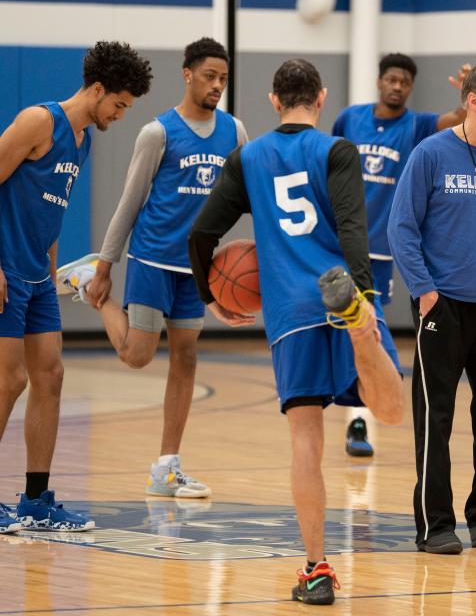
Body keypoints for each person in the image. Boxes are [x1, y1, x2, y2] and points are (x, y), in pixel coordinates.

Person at [187, 59, 403, 605]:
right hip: (342, 291)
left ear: (273, 99)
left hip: (288, 311)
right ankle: (357, 325)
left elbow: (202, 233)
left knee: (305, 443)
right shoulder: (335, 150)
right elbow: (353, 229)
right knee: (393, 411)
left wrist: (211, 295)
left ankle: (316, 570)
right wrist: (366, 300)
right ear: (321, 97)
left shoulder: (247, 157)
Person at [57, 38, 248, 499]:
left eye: (223, 78)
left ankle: (167, 467)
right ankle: (83, 282)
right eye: (209, 76)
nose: (217, 85)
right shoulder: (157, 132)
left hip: (196, 267)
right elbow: (130, 202)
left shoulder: (235, 133)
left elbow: (247, 194)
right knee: (137, 355)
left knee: (186, 357)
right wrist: (105, 265)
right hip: (151, 258)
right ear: (187, 74)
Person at [0, 41, 152, 532]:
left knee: (51, 377)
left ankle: (36, 499)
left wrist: (51, 269)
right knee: (9, 380)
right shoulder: (38, 122)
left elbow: (51, 210)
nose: (121, 115)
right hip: (5, 269)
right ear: (97, 89)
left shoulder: (84, 142)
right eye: (120, 105)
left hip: (38, 277)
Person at [388, 61, 476, 555]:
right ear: (474, 101)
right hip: (442, 308)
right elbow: (401, 228)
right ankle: (436, 525)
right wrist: (425, 291)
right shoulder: (430, 154)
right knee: (437, 420)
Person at [331, 53, 469, 457]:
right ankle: (355, 410)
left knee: (362, 326)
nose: (397, 86)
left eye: (404, 82)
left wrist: (467, 95)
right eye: (391, 79)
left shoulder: (417, 125)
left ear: (410, 87)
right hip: (341, 242)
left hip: (380, 248)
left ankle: (359, 414)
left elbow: (457, 121)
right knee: (353, 328)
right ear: (379, 81)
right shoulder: (348, 120)